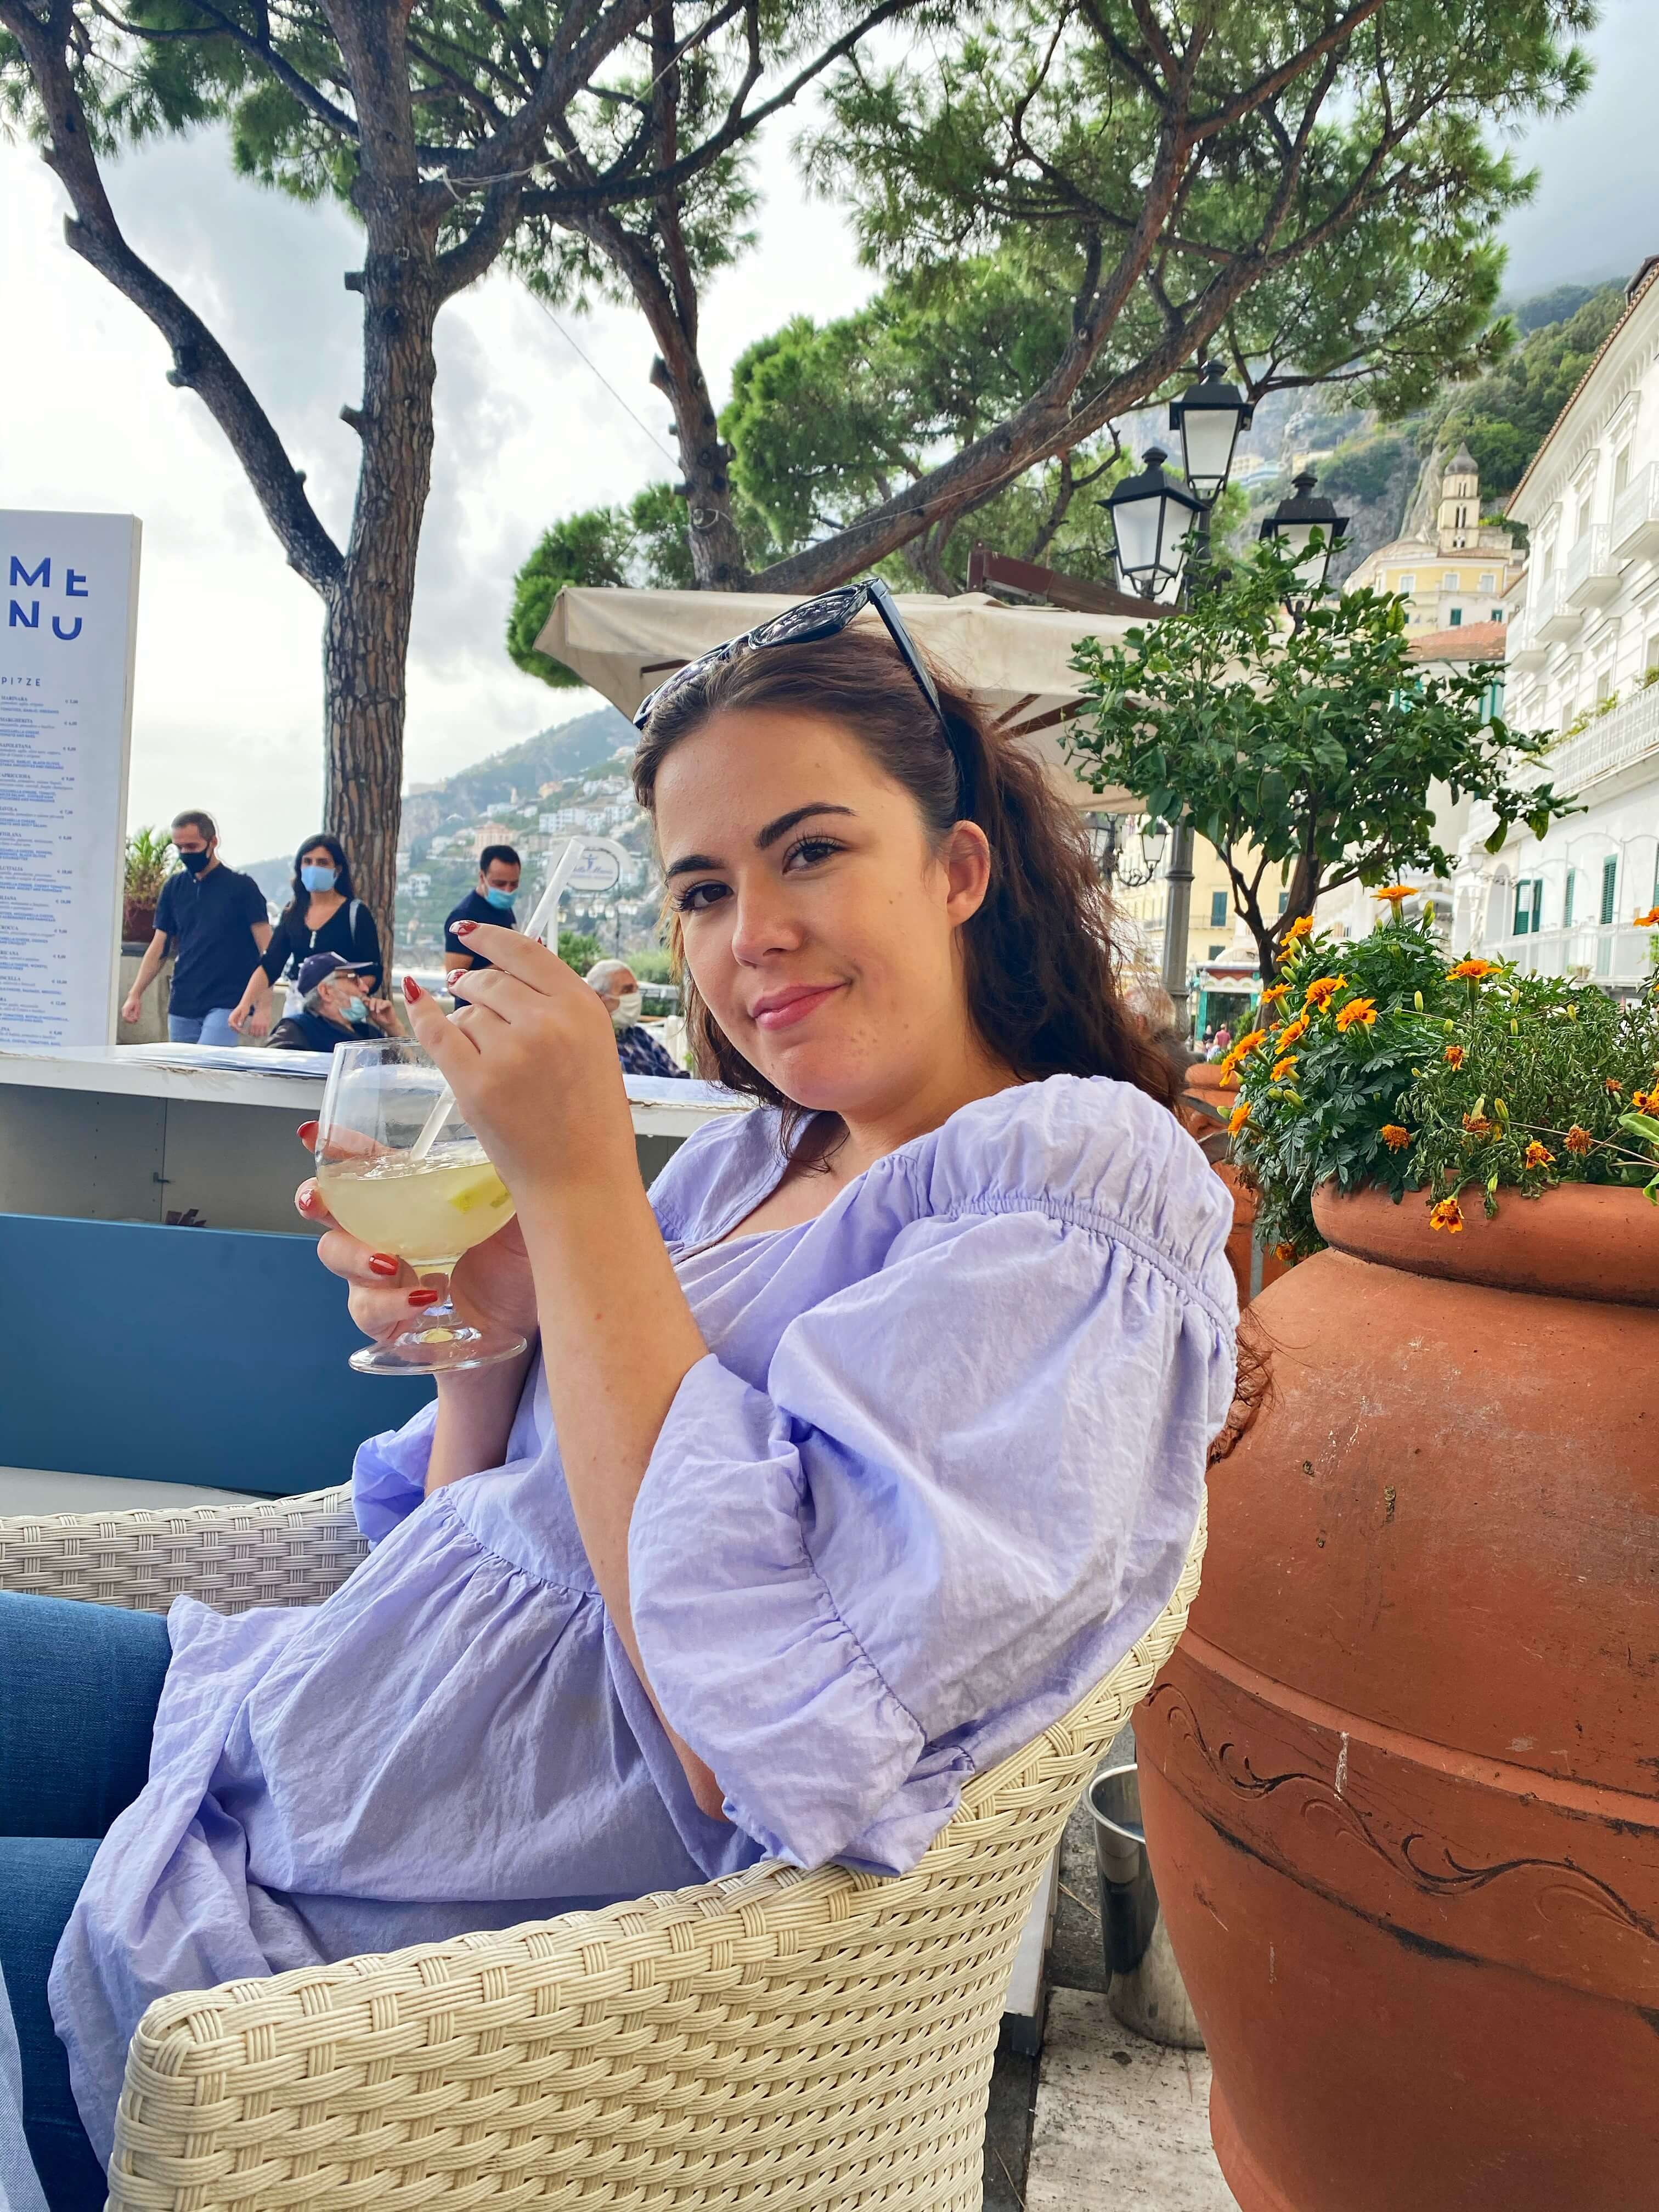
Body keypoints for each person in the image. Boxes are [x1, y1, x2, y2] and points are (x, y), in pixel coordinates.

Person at [5, 590, 1238, 2210]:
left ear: (957, 870)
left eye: (811, 853)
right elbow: (462, 1540)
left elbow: (761, 1741)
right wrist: (494, 1329)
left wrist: (581, 1188)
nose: (751, 936)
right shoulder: (750, 1156)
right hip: (313, 1727)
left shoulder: (1064, 1220)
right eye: (705, 889)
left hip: (412, 1907)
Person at [119, 811, 272, 1046]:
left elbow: (269, 950)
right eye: (179, 848)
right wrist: (135, 993)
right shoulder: (174, 888)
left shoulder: (242, 888)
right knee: (183, 1075)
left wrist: (263, 1005)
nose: (185, 854)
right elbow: (159, 946)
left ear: (213, 843)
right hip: (184, 1001)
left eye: (192, 846)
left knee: (209, 1070)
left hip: (228, 1000)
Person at [229, 836, 381, 1037]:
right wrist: (245, 1003)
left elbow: (372, 969)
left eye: (322, 862)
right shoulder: (293, 913)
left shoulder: (356, 913)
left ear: (338, 869)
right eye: (307, 862)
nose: (313, 868)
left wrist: (349, 995)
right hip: (297, 1005)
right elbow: (270, 965)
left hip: (340, 1008)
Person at [264, 953, 402, 1054]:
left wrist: (394, 1027)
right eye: (354, 980)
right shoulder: (298, 1028)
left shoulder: (368, 1032)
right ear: (326, 992)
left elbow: (409, 1075)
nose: (365, 988)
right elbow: (271, 1072)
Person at [586, 958, 687, 1079]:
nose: (635, 996)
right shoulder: (589, 1046)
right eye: (627, 990)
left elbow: (678, 1077)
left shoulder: (640, 1036)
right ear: (598, 997)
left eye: (636, 990)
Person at [444, 845, 521, 977]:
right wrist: (512, 962)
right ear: (482, 877)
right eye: (500, 884)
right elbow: (455, 982)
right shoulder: (464, 917)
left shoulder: (505, 909)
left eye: (514, 884)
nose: (507, 891)